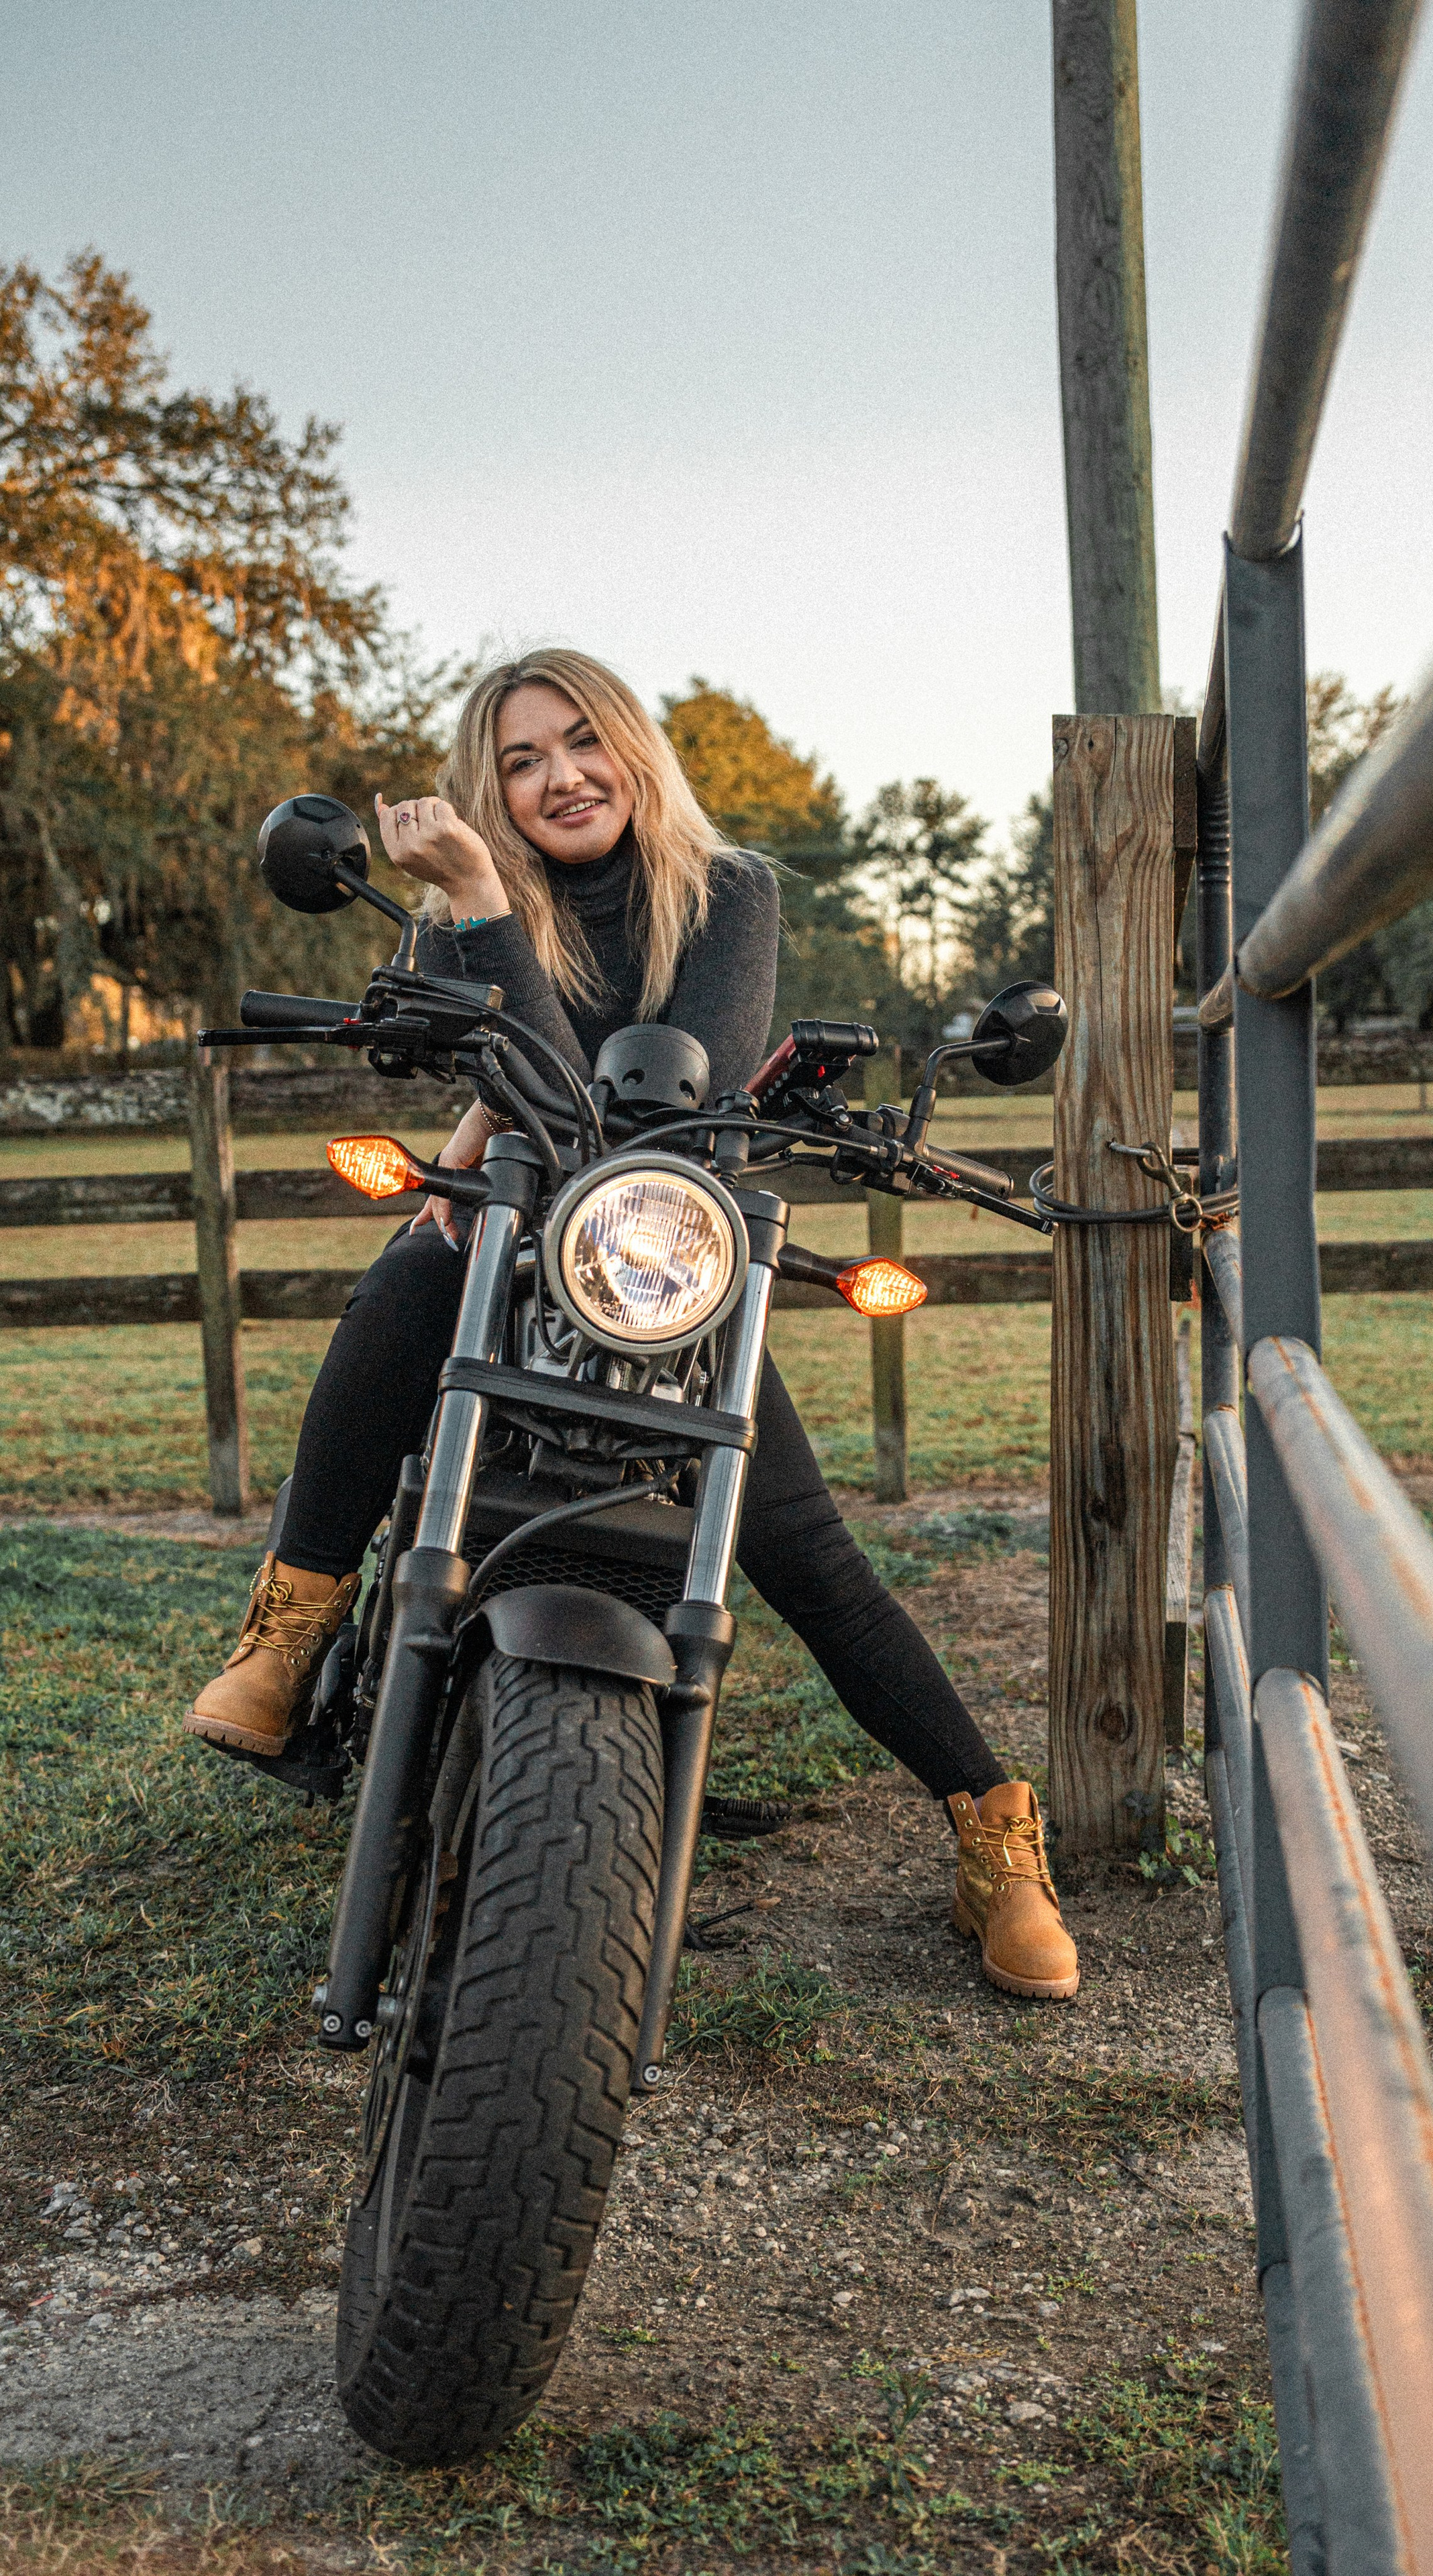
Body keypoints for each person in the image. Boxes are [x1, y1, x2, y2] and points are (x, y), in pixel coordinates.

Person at [184, 649, 1077, 2003]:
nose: (558, 778)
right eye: (520, 762)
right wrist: (481, 913)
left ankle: (991, 1833)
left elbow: (658, 1099)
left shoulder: (728, 893)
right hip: (508, 1242)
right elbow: (492, 1064)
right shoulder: (458, 908)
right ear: (486, 789)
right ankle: (293, 1626)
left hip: (659, 1252)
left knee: (803, 1547)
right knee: (404, 1275)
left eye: (579, 742)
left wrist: (483, 927)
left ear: (632, 749)